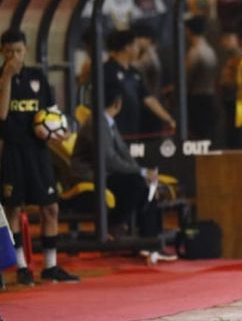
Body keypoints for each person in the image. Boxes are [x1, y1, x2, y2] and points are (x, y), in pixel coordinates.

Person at [0, 29, 79, 284]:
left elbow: (51, 111)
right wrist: (8, 78)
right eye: (9, 51)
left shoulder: (37, 77)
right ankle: (21, 267)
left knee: (51, 208)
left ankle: (50, 265)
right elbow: (1, 115)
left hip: (38, 151)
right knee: (14, 208)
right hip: (12, 151)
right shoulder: (2, 77)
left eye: (19, 51)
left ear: (26, 50)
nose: (14, 56)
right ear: (2, 52)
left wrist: (60, 129)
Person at [70, 83, 172, 262]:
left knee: (144, 185)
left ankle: (149, 241)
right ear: (118, 104)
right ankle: (119, 227)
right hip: (92, 176)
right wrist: (140, 172)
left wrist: (144, 173)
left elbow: (124, 153)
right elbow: (109, 159)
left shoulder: (107, 122)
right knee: (135, 184)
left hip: (106, 173)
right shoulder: (97, 123)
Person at [104, 30, 176, 137]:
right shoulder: (107, 70)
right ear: (127, 47)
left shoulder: (134, 73)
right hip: (112, 131)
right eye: (136, 46)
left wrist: (168, 119)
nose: (138, 50)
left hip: (133, 130)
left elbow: (148, 98)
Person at [185, 15, 219, 141]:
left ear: (188, 31)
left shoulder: (195, 52)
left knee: (197, 138)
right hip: (210, 96)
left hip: (197, 98)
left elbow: (186, 79)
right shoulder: (210, 50)